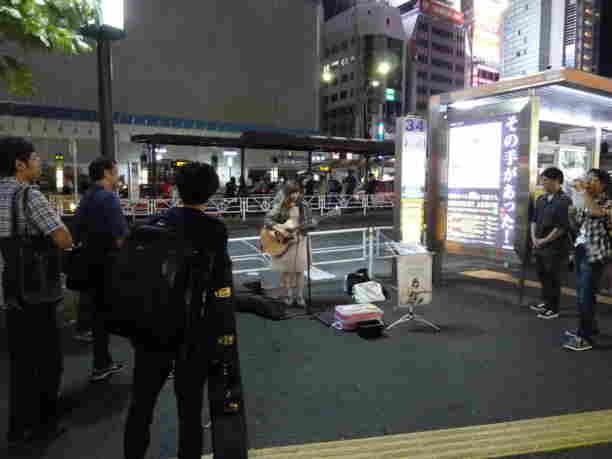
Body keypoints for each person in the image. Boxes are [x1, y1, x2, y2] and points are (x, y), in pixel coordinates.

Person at [124, 162, 235, 459]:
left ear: (176, 188)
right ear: (211, 192)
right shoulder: (214, 229)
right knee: (190, 410)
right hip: (192, 330)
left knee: (141, 404)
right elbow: (221, 283)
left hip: (150, 327)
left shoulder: (151, 223)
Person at [0, 136, 73, 447]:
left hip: (11, 289)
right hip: (37, 290)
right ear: (20, 163)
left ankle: (17, 429)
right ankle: (43, 426)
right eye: (34, 158)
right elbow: (63, 239)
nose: (38, 162)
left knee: (19, 364)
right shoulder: (28, 196)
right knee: (46, 361)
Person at [73, 158, 128, 381]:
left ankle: (101, 364)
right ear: (107, 173)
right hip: (109, 265)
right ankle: (156, 363)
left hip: (89, 262)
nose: (118, 176)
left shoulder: (87, 196)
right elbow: (120, 238)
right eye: (116, 172)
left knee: (99, 316)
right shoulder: (108, 198)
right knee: (131, 311)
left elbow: (76, 229)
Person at [563, 169, 612, 352]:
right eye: (587, 179)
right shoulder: (585, 201)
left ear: (603, 184)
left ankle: (585, 337)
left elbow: (598, 213)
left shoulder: (607, 202)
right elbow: (577, 226)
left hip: (596, 253)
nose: (588, 183)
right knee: (583, 293)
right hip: (581, 249)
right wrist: (572, 213)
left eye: (592, 180)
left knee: (586, 294)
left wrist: (583, 193)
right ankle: (589, 327)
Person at [529, 167, 572, 320]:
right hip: (540, 245)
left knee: (553, 277)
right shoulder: (541, 199)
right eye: (542, 180)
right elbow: (534, 220)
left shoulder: (564, 201)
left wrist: (544, 240)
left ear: (556, 181)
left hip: (555, 247)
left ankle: (553, 308)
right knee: (542, 275)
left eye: (545, 180)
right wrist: (534, 238)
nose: (542, 183)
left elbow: (562, 227)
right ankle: (546, 301)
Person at [265, 182, 316, 306]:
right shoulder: (281, 206)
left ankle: (299, 296)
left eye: (296, 192)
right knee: (286, 271)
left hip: (301, 240)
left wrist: (311, 225)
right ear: (286, 194)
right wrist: (280, 229)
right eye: (291, 193)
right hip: (285, 241)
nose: (294, 195)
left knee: (300, 271)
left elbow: (311, 223)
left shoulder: (304, 205)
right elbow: (268, 220)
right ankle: (288, 295)